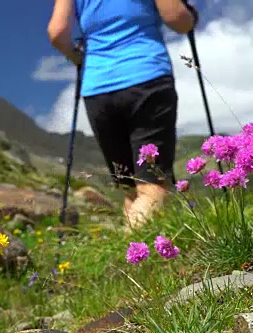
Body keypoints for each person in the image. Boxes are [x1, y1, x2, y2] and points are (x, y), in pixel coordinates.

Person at [47, 0, 199, 231]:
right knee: (154, 186)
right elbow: (177, 18)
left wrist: (77, 57)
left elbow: (57, 33)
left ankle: (135, 258)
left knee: (129, 188)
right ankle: (132, 256)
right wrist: (190, 18)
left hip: (97, 90)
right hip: (146, 77)